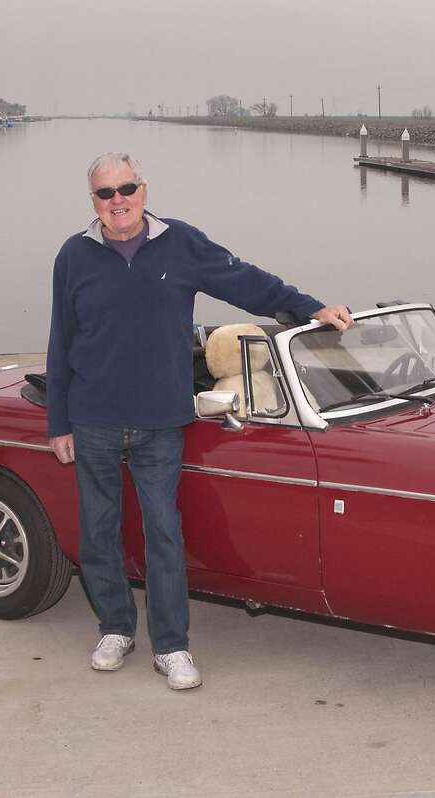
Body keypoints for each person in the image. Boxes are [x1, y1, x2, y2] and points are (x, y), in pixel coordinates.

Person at [46, 152, 352, 689]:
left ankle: (172, 646)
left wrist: (310, 307)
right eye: (105, 193)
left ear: (144, 189)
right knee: (98, 533)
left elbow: (245, 281)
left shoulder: (181, 243)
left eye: (127, 188)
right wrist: (59, 422)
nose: (118, 201)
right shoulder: (74, 255)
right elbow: (61, 340)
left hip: (161, 419)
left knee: (164, 532)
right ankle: (115, 628)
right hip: (93, 418)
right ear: (92, 200)